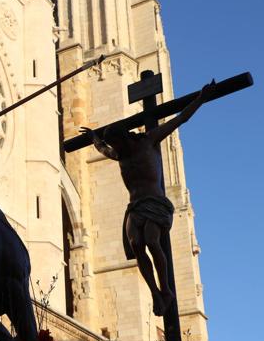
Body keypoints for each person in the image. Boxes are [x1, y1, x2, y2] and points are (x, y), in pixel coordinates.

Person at [80, 80, 216, 316]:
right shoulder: (119, 155)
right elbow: (102, 148)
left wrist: (201, 99)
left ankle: (166, 290)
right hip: (135, 206)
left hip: (155, 203)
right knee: (136, 245)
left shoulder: (148, 141)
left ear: (125, 137)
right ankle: (155, 292)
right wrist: (94, 137)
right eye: (113, 144)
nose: (115, 147)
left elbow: (179, 119)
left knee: (153, 241)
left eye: (117, 142)